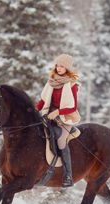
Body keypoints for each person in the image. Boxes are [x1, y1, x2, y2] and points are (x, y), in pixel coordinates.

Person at [35, 54, 81, 187]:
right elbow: (44, 100)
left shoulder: (71, 84)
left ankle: (68, 175)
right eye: (57, 65)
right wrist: (35, 109)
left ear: (67, 68)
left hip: (65, 116)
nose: (59, 68)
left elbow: (72, 107)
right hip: (50, 113)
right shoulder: (52, 81)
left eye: (62, 66)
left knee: (60, 139)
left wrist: (58, 112)